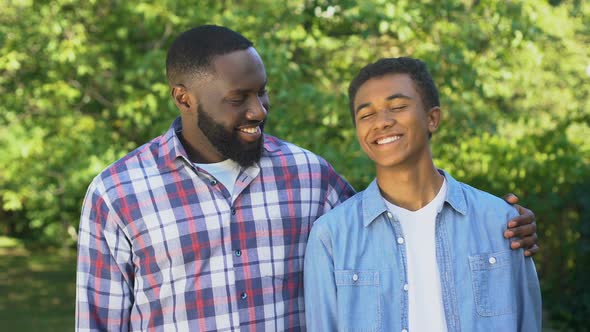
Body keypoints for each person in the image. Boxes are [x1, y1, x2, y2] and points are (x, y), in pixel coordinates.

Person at [76, 26, 538, 331]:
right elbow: (98, 320)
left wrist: (506, 226)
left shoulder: (309, 175)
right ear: (184, 97)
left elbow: (392, 228)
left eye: (262, 92)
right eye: (240, 98)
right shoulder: (118, 193)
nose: (258, 110)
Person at [304, 57, 542, 331]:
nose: (381, 122)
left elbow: (528, 322)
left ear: (432, 118)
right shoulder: (332, 236)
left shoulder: (502, 221)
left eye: (398, 106)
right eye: (366, 114)